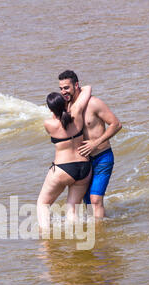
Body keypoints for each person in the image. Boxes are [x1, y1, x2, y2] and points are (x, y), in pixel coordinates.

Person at [58, 70, 122, 219]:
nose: (63, 91)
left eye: (66, 87)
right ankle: (102, 227)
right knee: (86, 201)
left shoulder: (94, 103)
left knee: (95, 200)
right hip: (83, 161)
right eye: (60, 88)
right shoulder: (67, 107)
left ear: (76, 85)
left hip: (102, 157)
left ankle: (99, 236)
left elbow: (116, 124)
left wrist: (95, 143)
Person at [37, 85, 92, 231]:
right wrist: (70, 94)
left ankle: (46, 241)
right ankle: (76, 242)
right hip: (84, 168)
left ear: (50, 109)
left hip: (63, 168)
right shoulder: (77, 113)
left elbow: (59, 122)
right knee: (72, 210)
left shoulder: (49, 124)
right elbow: (88, 88)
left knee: (43, 204)